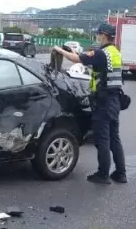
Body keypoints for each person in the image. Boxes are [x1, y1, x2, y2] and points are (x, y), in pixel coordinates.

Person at [52, 24, 127, 184]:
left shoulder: (102, 53)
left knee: (102, 139)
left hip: (103, 102)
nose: (97, 37)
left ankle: (103, 174)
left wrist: (60, 51)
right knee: (114, 138)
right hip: (114, 100)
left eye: (99, 34)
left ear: (104, 36)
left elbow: (77, 60)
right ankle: (120, 173)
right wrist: (73, 52)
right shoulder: (115, 53)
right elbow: (85, 58)